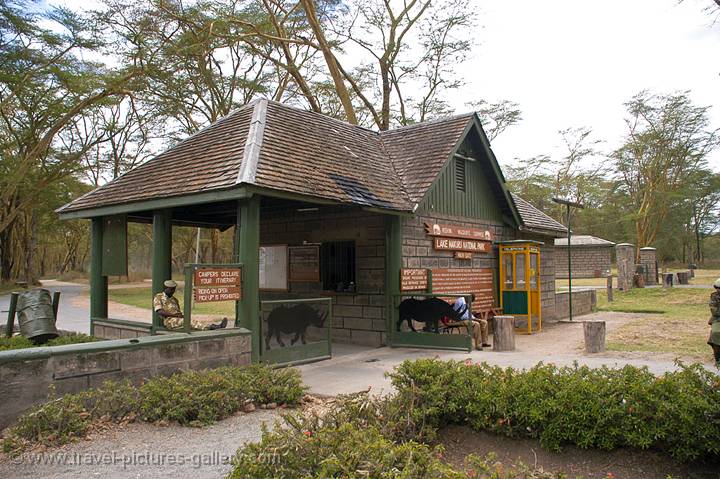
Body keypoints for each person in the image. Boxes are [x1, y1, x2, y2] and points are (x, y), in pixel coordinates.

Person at [153, 280, 227, 330]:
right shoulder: (158, 297)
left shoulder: (174, 300)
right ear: (166, 288)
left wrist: (180, 315)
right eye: (171, 289)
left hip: (178, 319)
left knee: (192, 321)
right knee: (188, 322)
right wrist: (175, 315)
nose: (173, 291)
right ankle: (213, 327)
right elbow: (160, 312)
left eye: (174, 289)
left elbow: (178, 312)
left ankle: (211, 326)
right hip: (169, 322)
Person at [708, 278, 720, 369]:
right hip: (717, 319)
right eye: (717, 288)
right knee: (716, 333)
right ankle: (718, 359)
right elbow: (715, 311)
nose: (718, 290)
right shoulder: (714, 296)